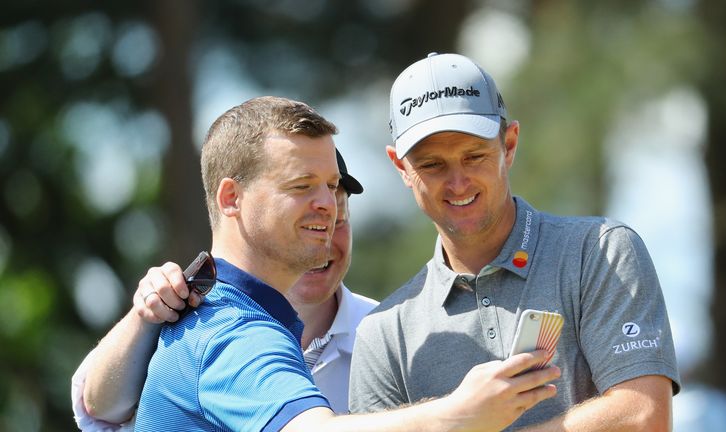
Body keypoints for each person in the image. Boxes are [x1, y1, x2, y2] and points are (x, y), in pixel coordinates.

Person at [86, 95, 560, 432]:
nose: (328, 205)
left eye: (332, 186)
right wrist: (459, 414)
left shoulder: (211, 312)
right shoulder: (233, 328)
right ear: (231, 198)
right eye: (301, 186)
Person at [348, 53, 681, 431]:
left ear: (509, 144)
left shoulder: (599, 252)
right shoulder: (383, 333)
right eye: (432, 165)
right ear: (401, 167)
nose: (458, 183)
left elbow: (642, 417)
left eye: (474, 156)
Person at [71, 150, 377, 431]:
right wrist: (144, 318)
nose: (321, 237)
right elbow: (98, 406)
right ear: (235, 202)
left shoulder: (387, 329)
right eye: (303, 218)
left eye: (338, 219)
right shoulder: (189, 314)